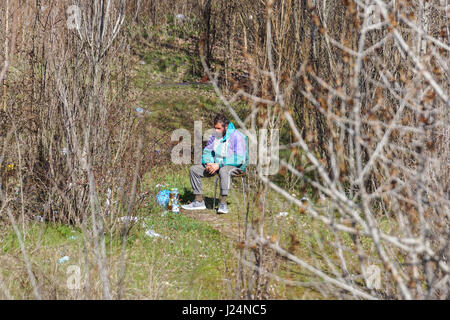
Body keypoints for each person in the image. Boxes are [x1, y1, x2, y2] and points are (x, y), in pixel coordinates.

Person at [182, 114, 248, 214]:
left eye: (219, 128)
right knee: (194, 170)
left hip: (235, 166)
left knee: (223, 170)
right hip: (215, 165)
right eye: (215, 128)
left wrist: (219, 165)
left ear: (226, 127)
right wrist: (209, 163)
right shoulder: (215, 136)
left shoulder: (237, 136)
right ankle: (198, 201)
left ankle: (223, 203)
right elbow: (207, 151)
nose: (216, 130)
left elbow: (239, 158)